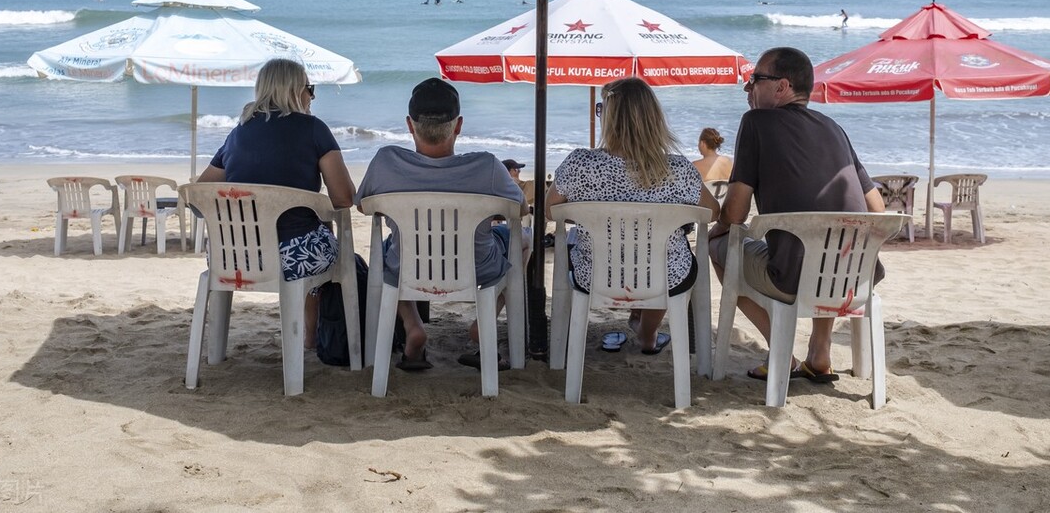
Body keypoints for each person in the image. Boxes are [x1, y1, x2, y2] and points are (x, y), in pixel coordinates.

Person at [707, 47, 884, 383]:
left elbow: (735, 212)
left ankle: (782, 351)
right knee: (826, 249)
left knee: (719, 248)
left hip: (791, 278)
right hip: (856, 275)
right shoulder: (834, 128)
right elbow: (877, 210)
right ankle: (820, 352)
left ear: (781, 86)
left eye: (755, 79)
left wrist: (718, 229)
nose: (747, 88)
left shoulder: (755, 122)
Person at [354, 78, 529, 371]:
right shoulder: (487, 167)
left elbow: (362, 205)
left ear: (410, 125)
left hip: (408, 265)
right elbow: (520, 210)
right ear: (458, 125)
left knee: (385, 254)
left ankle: (413, 326)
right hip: (477, 267)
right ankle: (482, 324)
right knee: (526, 238)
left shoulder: (386, 162)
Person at [546, 77, 719, 354]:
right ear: (653, 118)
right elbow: (712, 212)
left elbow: (550, 210)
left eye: (601, 109)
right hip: (666, 277)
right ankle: (647, 334)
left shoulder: (580, 163)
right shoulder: (677, 169)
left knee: (636, 257)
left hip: (595, 274)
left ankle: (641, 326)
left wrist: (589, 217)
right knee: (663, 264)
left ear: (609, 117)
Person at [197, 58, 355, 350]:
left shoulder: (237, 134)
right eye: (310, 88)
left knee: (313, 231)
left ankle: (220, 351)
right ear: (296, 90)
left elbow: (198, 195)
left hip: (233, 257)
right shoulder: (313, 129)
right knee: (322, 236)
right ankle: (310, 336)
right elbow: (344, 197)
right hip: (294, 259)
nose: (313, 96)